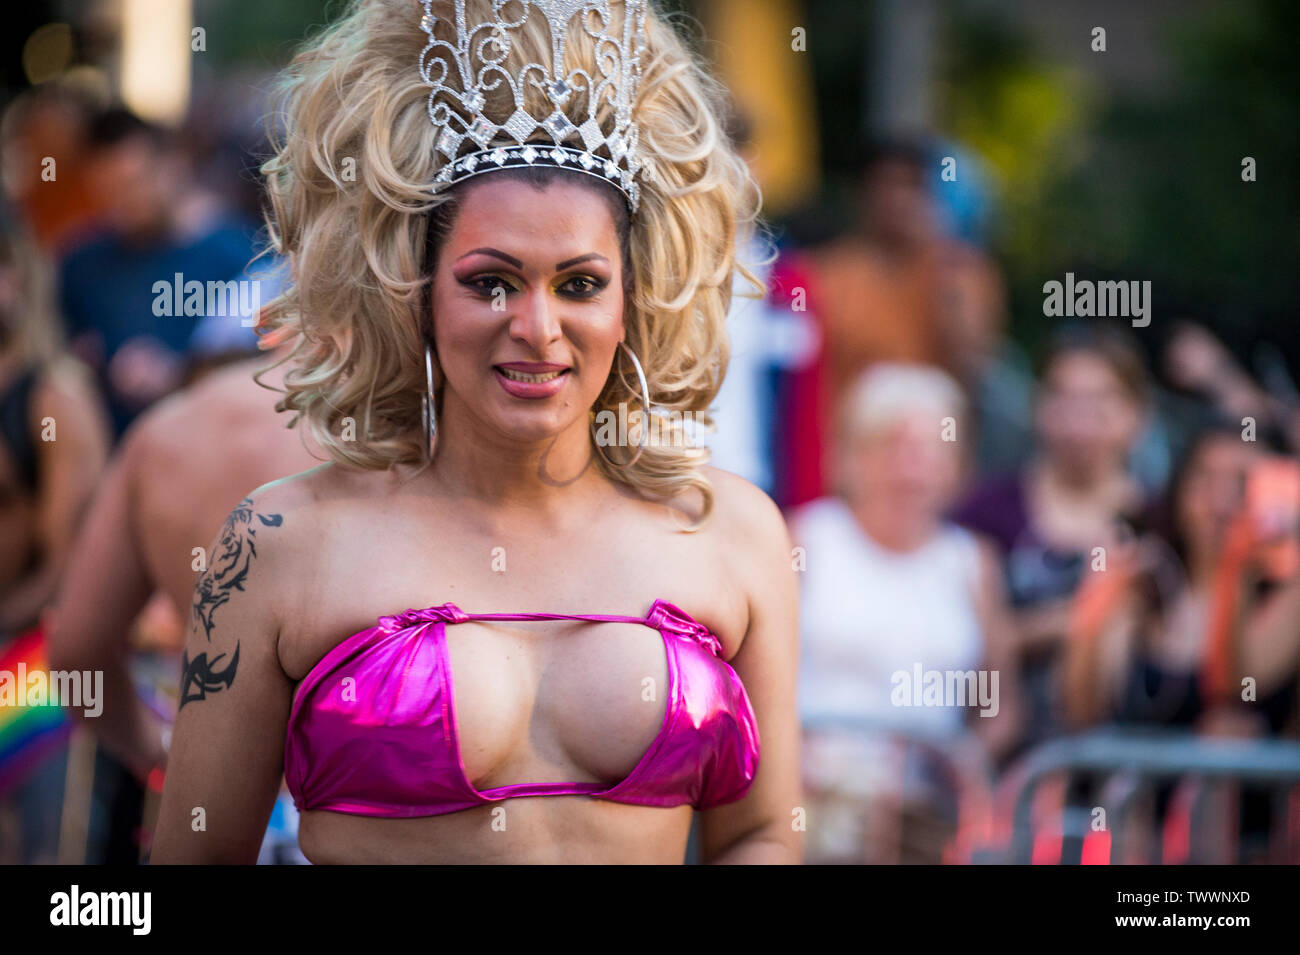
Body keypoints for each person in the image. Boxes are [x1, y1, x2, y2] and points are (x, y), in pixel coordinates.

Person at [153, 0, 800, 865]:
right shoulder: (279, 542)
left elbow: (760, 832)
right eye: (492, 282)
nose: (536, 326)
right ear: (413, 292)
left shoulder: (734, 533)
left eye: (579, 284)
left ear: (631, 299)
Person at [48, 345, 322, 862]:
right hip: (363, 814)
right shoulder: (407, 420)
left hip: (210, 811)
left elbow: (75, 660)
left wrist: (167, 752)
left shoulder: (168, 431)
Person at [792, 363, 1019, 862]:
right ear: (853, 457)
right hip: (807, 813)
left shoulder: (972, 563)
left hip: (921, 820)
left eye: (927, 451)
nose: (908, 468)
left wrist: (964, 763)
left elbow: (1001, 707)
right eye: (891, 446)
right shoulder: (808, 539)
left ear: (954, 466)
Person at [951, 327, 1150, 755]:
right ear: (1038, 407)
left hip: (1124, 763)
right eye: (1063, 399)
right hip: (1001, 759)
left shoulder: (1162, 520)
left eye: (1099, 403)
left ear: (1137, 415)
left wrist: (1020, 631)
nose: (1079, 422)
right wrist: (1086, 615)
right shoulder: (983, 512)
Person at [57, 107, 258, 437]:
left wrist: (178, 377)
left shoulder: (239, 258)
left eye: (132, 183)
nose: (123, 204)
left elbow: (258, 372)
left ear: (172, 167)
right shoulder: (80, 264)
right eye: (107, 191)